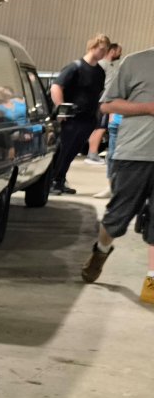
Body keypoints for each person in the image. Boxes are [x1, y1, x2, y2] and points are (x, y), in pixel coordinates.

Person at [81, 47, 154, 306]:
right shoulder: (136, 62)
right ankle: (101, 251)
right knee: (117, 217)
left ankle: (152, 280)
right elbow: (107, 104)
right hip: (134, 153)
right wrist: (147, 107)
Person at [49, 33, 111, 194]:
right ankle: (51, 181)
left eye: (106, 51)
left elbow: (98, 94)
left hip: (88, 119)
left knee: (72, 152)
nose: (103, 53)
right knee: (62, 150)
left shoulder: (99, 72)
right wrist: (61, 110)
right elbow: (56, 87)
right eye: (102, 49)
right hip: (71, 119)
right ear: (92, 47)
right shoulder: (75, 67)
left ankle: (60, 180)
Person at [85, 42, 122, 165]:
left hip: (103, 99)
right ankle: (93, 154)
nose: (120, 54)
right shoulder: (102, 65)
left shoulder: (111, 65)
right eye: (119, 51)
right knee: (101, 127)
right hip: (102, 99)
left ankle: (92, 152)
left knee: (98, 127)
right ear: (112, 51)